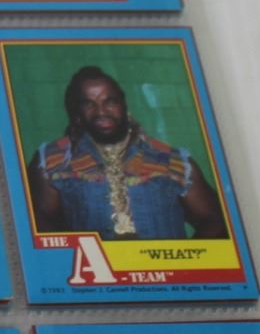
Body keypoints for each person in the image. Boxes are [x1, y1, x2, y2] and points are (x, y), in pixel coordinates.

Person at [27, 66, 228, 240]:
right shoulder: (53, 160)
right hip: (95, 272)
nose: (101, 112)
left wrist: (184, 263)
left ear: (124, 106)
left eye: (110, 102)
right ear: (77, 114)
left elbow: (216, 220)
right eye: (89, 104)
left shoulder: (171, 160)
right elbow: (38, 222)